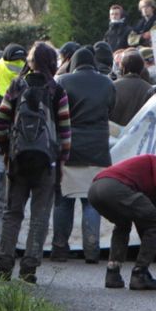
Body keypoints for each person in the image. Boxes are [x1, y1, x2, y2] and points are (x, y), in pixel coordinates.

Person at [0, 43, 72, 283]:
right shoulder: (57, 91)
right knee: (40, 214)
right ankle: (29, 268)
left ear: (30, 62)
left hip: (17, 161)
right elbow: (66, 132)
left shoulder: (16, 86)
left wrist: (8, 150)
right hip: (46, 163)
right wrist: (61, 160)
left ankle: (4, 263)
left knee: (12, 212)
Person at [53, 41, 118, 261]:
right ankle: (92, 249)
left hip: (69, 148)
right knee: (92, 201)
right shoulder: (107, 84)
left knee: (64, 200)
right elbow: (111, 109)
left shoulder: (62, 81)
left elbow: (55, 112)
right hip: (98, 149)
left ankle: (60, 247)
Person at [88, 153, 156, 291]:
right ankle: (140, 275)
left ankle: (113, 273)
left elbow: (144, 228)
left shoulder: (142, 180)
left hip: (94, 190)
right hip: (114, 187)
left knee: (123, 223)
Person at [111, 49, 156, 125]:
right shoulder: (149, 89)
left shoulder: (112, 87)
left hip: (116, 133)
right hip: (139, 134)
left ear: (122, 67)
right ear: (142, 67)